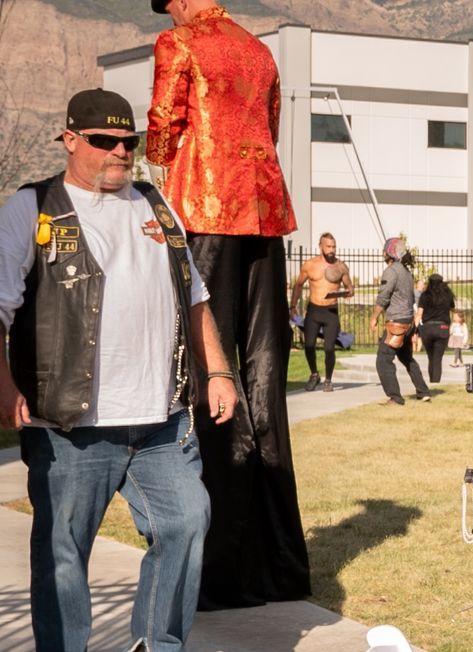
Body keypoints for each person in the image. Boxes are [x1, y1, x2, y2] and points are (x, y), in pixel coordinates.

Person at [0, 90, 237, 652]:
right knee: (64, 552)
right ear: (70, 139)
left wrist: (217, 371)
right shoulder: (32, 207)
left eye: (127, 142)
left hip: (160, 416)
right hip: (70, 422)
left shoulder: (156, 205)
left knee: (188, 521)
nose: (119, 153)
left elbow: (195, 298)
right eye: (104, 141)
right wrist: (4, 384)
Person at [147, 0, 310, 610]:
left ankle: (219, 571)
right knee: (264, 377)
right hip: (265, 216)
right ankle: (280, 567)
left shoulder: (180, 43)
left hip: (206, 209)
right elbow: (266, 127)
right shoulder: (259, 48)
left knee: (206, 371)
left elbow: (162, 135)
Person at [290, 231, 352, 391]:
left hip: (331, 312)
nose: (332, 250)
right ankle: (314, 374)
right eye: (328, 246)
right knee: (309, 345)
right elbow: (298, 285)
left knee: (329, 348)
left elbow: (350, 288)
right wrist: (293, 306)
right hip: (314, 311)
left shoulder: (341, 266)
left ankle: (328, 380)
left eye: (334, 246)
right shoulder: (310, 265)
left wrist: (347, 292)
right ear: (320, 247)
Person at [375, 236, 431, 406]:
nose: (382, 254)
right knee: (406, 357)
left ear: (389, 253)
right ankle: (423, 392)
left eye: (384, 251)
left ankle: (395, 397)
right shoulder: (406, 272)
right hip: (408, 322)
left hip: (397, 323)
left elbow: (383, 297)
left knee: (383, 359)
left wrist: (373, 317)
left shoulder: (391, 271)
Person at [417, 272, 455, 384]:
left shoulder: (425, 295)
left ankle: (432, 382)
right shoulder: (447, 295)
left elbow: (419, 313)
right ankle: (435, 383)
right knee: (438, 359)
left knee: (431, 358)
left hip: (427, 329)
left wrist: (415, 329)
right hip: (442, 328)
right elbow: (452, 309)